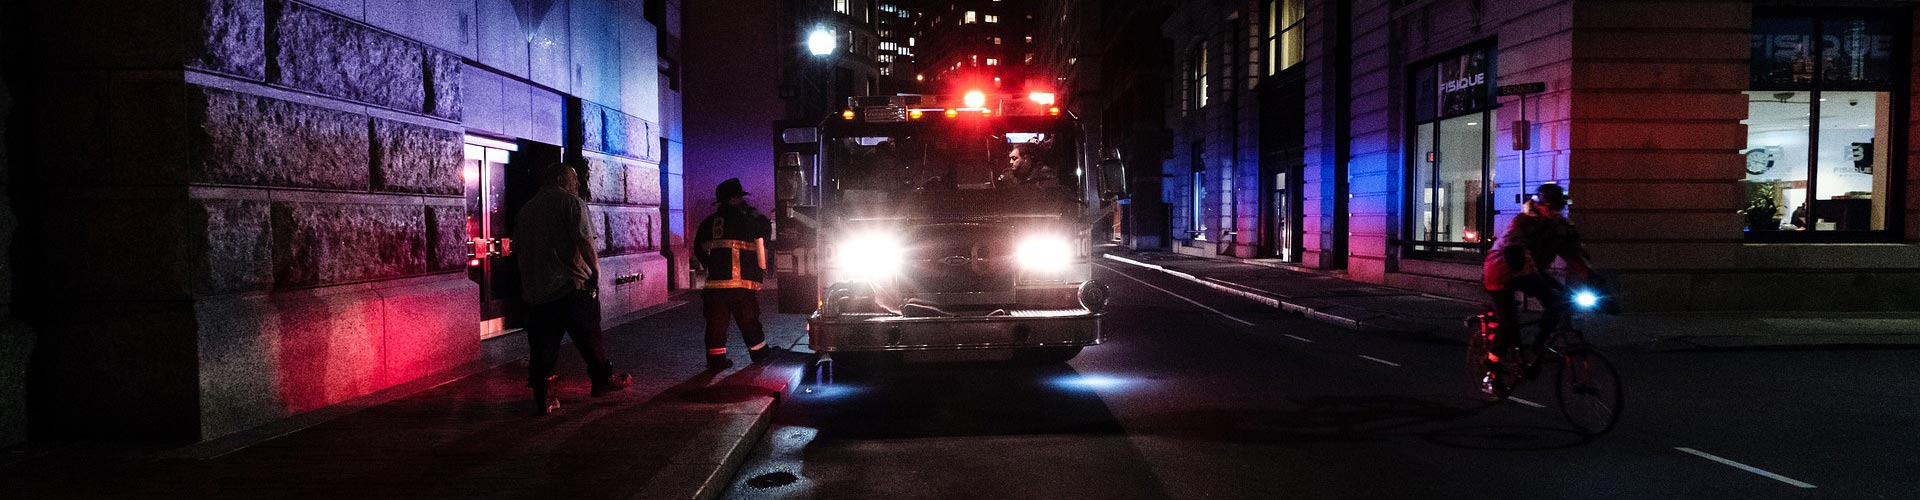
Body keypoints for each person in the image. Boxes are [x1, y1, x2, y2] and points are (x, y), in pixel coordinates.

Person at [514, 162, 631, 415]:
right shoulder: (572, 203)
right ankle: (602, 380)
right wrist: (595, 270)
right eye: (574, 179)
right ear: (562, 179)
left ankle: (544, 393)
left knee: (544, 345)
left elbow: (520, 250)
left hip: (538, 292)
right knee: (590, 337)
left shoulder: (526, 210)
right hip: (571, 286)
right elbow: (583, 239)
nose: (577, 184)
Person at [1480, 183, 1592, 395]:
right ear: (1539, 205)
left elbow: (1574, 256)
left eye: (1558, 207)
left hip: (1530, 272)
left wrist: (1593, 280)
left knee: (1558, 304)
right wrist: (1515, 255)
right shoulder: (1522, 222)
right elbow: (1514, 243)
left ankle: (1536, 350)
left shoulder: (1561, 227)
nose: (1554, 212)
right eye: (1550, 207)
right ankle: (1491, 371)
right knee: (1508, 325)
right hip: (1502, 273)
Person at [694, 178, 780, 370]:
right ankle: (759, 353)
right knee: (749, 320)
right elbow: (765, 231)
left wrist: (712, 266)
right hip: (742, 285)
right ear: (736, 198)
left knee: (716, 324)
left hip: (715, 286)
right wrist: (755, 213)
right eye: (740, 197)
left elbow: (698, 248)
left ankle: (716, 362)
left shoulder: (708, 223)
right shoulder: (749, 220)